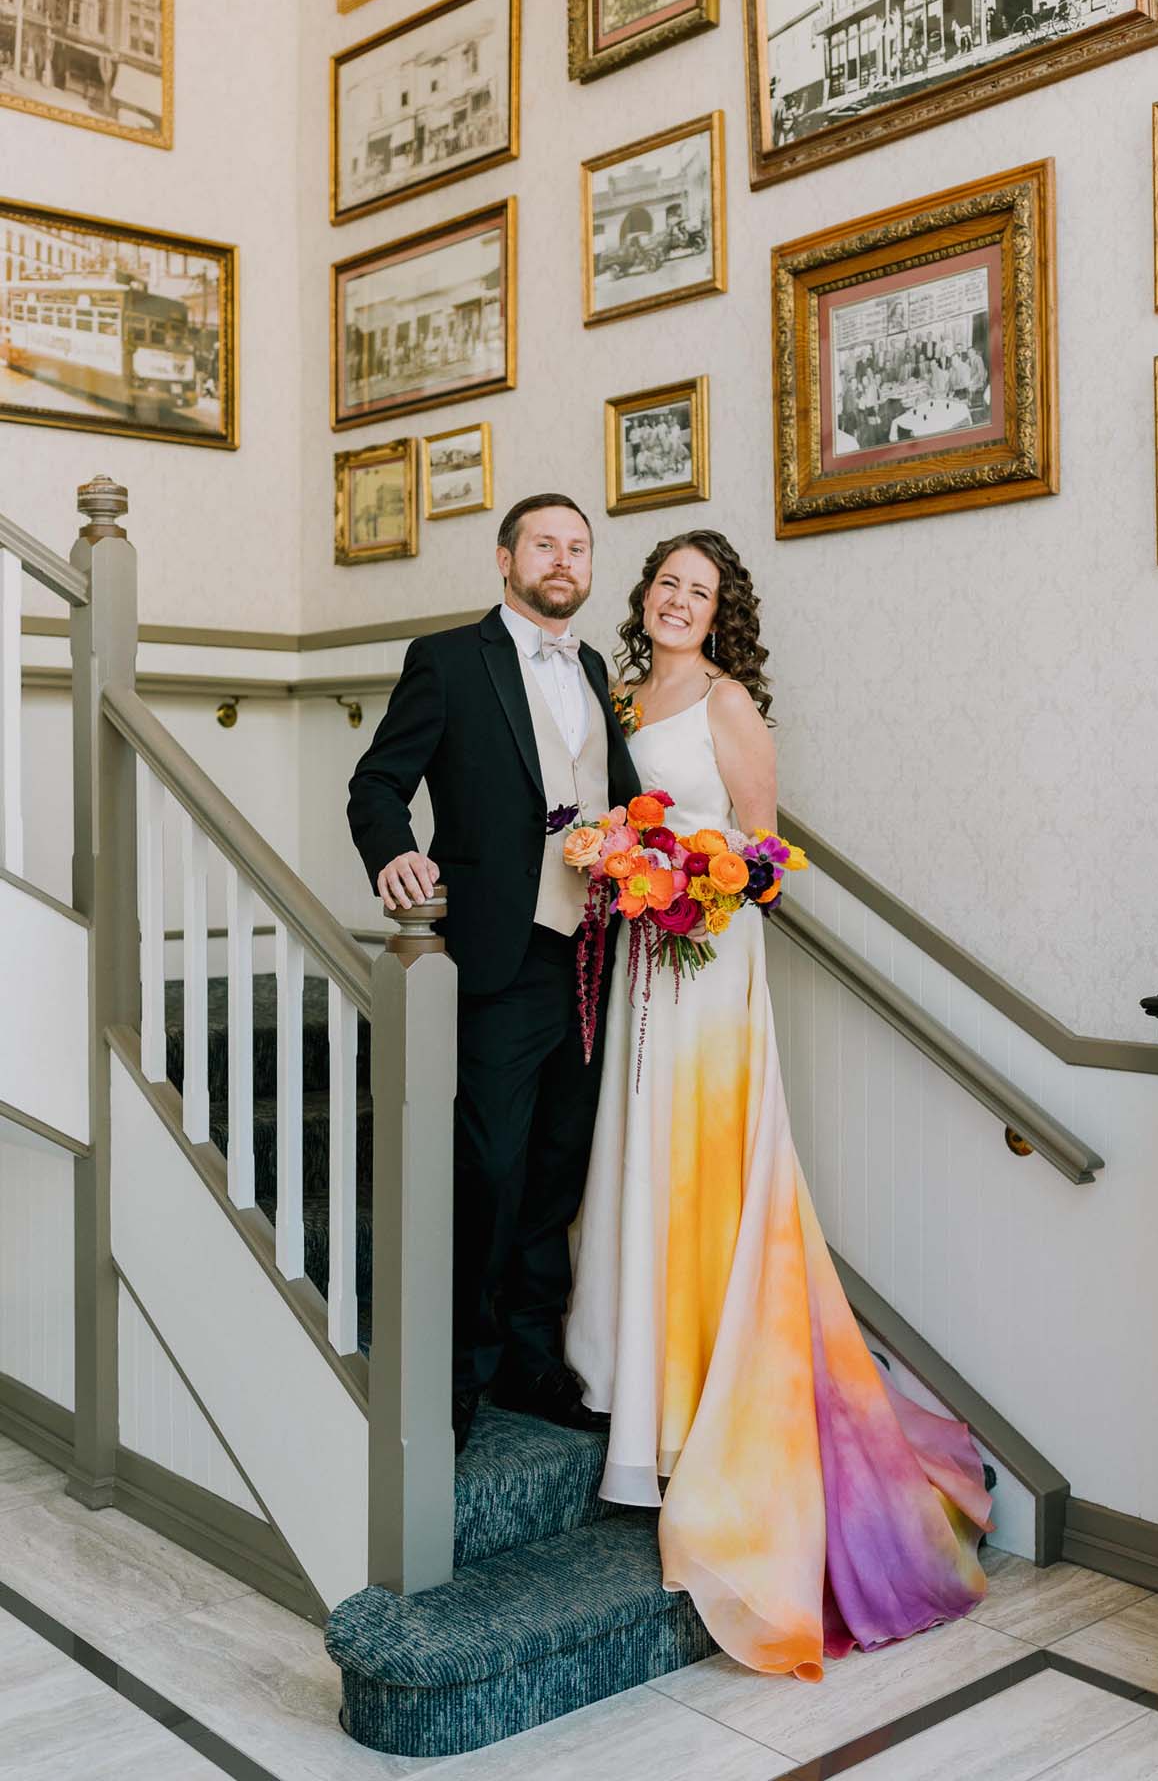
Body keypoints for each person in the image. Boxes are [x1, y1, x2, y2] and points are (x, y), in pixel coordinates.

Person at [565, 530, 991, 1680]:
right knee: (634, 1161)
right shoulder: (617, 691)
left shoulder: (726, 700)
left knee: (700, 1174)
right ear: (645, 596)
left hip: (706, 964)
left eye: (699, 592)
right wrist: (618, 864)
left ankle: (699, 1415)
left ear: (720, 611)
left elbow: (762, 853)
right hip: (641, 954)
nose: (678, 603)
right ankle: (634, 1401)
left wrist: (691, 889)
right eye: (666, 585)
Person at [347, 494, 641, 1454]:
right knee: (490, 1165)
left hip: (590, 951)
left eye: (578, 547)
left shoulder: (593, 667)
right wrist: (393, 852)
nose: (563, 559)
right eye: (545, 544)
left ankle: (528, 1358)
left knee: (558, 1168)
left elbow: (623, 801)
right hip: (496, 953)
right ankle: (456, 1376)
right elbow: (377, 782)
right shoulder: (446, 660)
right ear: (505, 558)